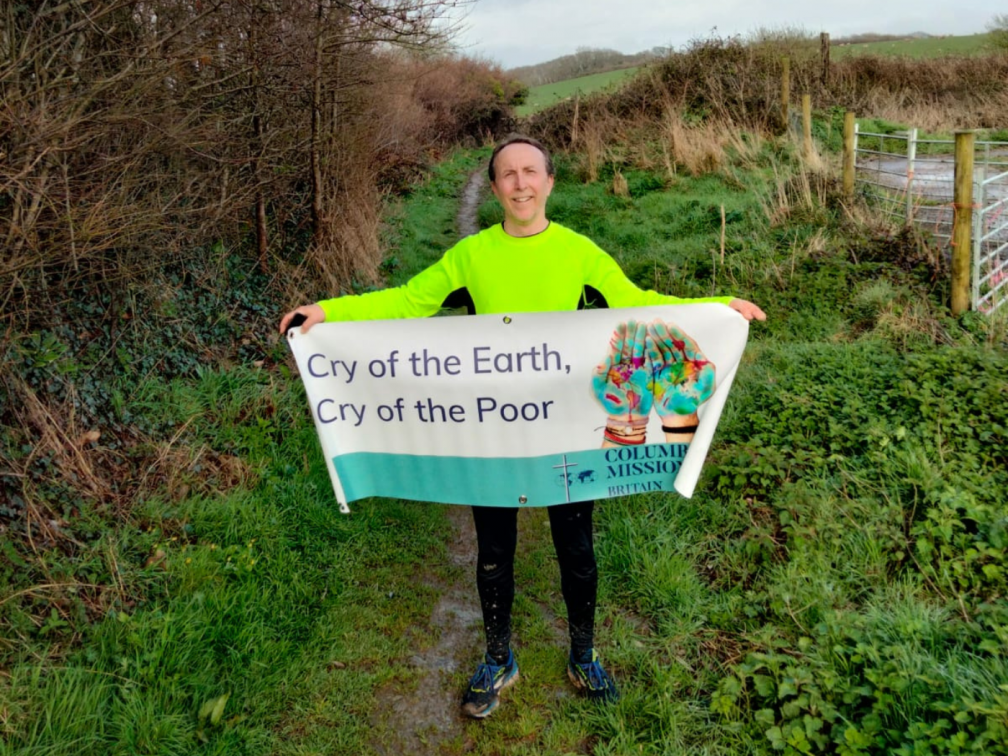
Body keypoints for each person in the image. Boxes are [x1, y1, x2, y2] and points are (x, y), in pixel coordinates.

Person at [279, 134, 766, 719]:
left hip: (568, 430)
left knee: (577, 547)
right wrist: (331, 312)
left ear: (550, 181)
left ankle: (584, 656)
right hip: (495, 431)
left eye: (530, 172)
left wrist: (717, 310)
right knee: (494, 549)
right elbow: (410, 303)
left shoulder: (580, 252)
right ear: (494, 188)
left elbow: (638, 304)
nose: (520, 184)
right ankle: (498, 655)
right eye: (507, 175)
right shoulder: (471, 255)